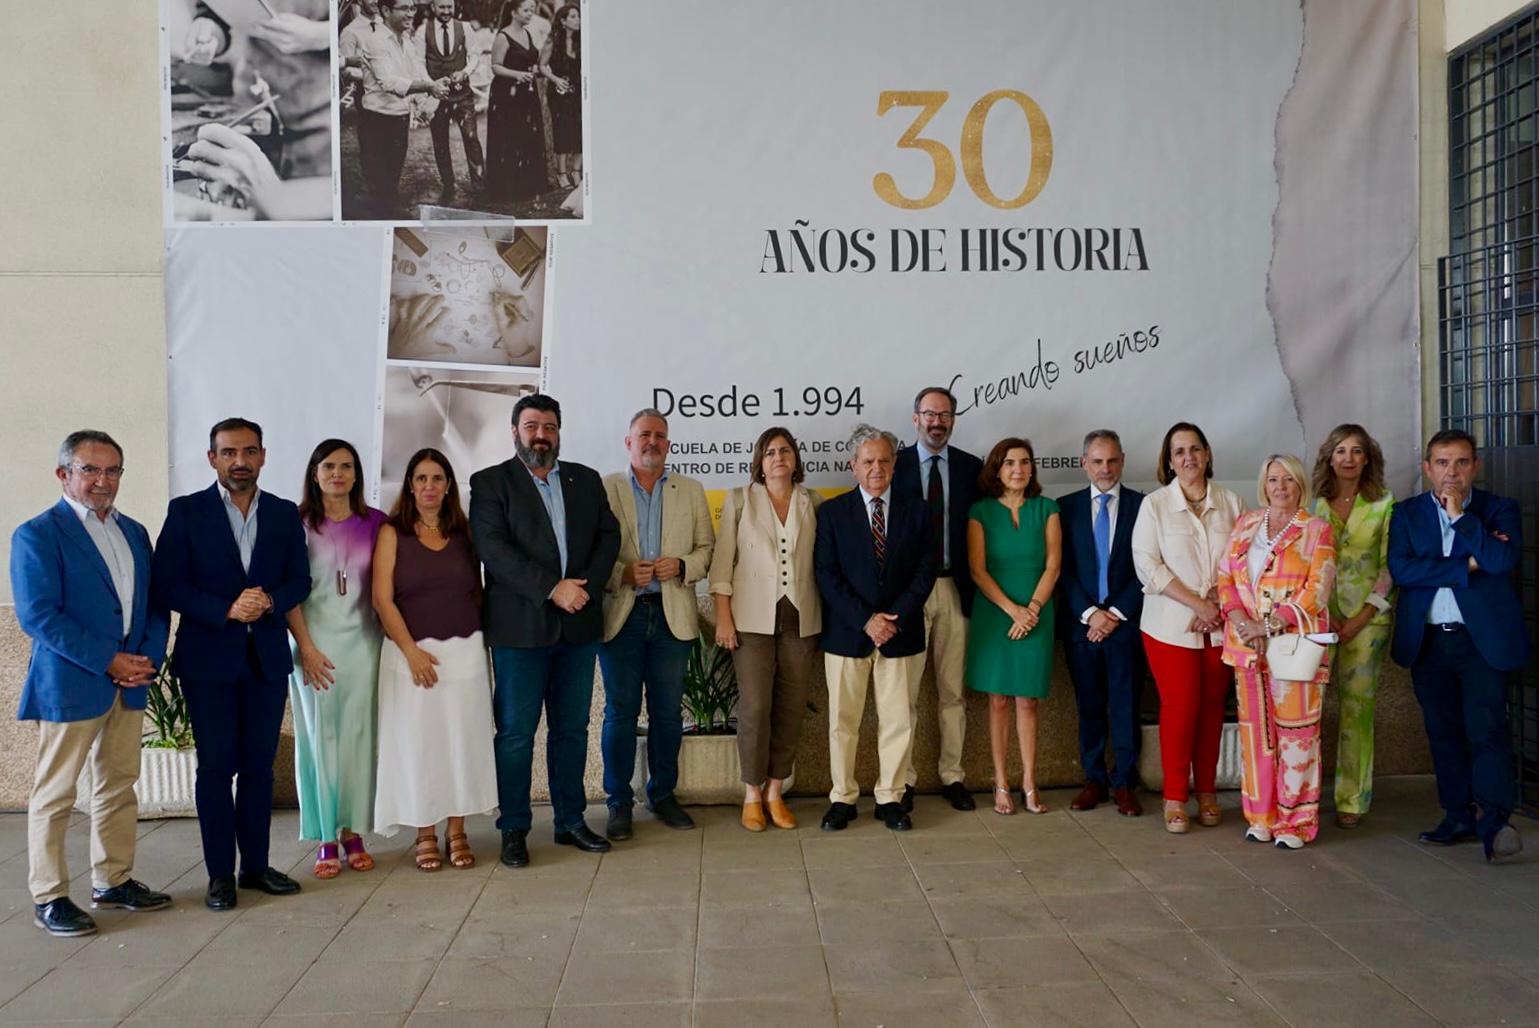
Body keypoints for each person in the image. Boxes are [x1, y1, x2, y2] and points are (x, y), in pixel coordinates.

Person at [11, 432, 172, 937]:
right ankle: (50, 896)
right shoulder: (37, 534)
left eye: (113, 471)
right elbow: (39, 616)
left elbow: (152, 603)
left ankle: (113, 880)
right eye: (90, 470)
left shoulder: (136, 532)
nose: (103, 481)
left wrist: (145, 656)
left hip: (130, 681)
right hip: (73, 682)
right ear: (64, 474)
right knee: (55, 794)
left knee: (119, 785)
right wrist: (109, 661)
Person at [152, 418, 311, 910]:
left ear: (263, 456)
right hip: (209, 662)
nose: (239, 460)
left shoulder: (284, 515)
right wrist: (225, 608)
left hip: (264, 660)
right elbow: (167, 584)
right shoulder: (186, 513)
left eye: (248, 451)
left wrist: (269, 602)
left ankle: (257, 868)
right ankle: (220, 874)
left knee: (260, 769)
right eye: (228, 452)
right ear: (212, 459)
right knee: (216, 770)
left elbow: (300, 582)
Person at [470, 395, 621, 868]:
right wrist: (552, 589)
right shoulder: (491, 483)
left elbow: (608, 537)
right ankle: (513, 828)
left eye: (549, 426)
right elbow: (493, 550)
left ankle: (570, 821)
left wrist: (584, 589)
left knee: (572, 730)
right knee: (516, 734)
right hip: (520, 632)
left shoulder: (585, 479)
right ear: (514, 431)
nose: (541, 434)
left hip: (578, 626)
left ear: (559, 432)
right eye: (531, 425)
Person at [1389, 429, 1528, 863]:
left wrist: (1463, 520)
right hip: (1430, 642)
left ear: (1475, 467)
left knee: (1486, 731)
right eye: (1443, 463)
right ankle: (1456, 816)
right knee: (1443, 733)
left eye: (1462, 462)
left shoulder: (1499, 510)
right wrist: (1468, 563)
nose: (1452, 472)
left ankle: (1494, 823)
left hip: (1480, 642)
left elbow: (1502, 561)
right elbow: (1403, 570)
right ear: (1427, 467)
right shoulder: (1407, 514)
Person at [372, 449, 497, 870]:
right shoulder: (393, 533)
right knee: (420, 746)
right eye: (421, 478)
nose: (429, 486)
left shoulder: (465, 532)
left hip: (464, 656)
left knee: (461, 744)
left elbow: (477, 592)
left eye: (437, 478)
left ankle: (457, 831)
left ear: (448, 486)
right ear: (410, 484)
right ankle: (425, 833)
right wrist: (411, 651)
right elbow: (381, 599)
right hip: (411, 658)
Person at [598, 410, 715, 840]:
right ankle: (618, 803)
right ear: (628, 441)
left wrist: (684, 565)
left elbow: (707, 549)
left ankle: (662, 795)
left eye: (660, 436)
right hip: (622, 616)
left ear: (669, 444)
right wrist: (620, 575)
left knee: (667, 714)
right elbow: (590, 552)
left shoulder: (692, 490)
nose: (653, 441)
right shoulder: (605, 488)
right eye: (644, 435)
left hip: (673, 619)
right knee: (620, 714)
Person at [814, 424, 935, 832]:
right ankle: (843, 798)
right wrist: (866, 620)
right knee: (842, 722)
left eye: (884, 460)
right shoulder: (831, 513)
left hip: (902, 634)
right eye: (868, 461)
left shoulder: (917, 510)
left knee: (899, 720)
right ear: (854, 466)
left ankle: (890, 796)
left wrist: (892, 618)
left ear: (894, 464)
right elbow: (826, 575)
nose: (877, 468)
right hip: (848, 634)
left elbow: (925, 571)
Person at [1216, 455, 1336, 849]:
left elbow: (1318, 590)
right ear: (1263, 484)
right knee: (1257, 736)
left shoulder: (1316, 529)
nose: (1280, 486)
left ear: (1301, 485)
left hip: (1293, 646)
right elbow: (1225, 578)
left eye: (1288, 479)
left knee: (1297, 735)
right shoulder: (1247, 523)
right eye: (1272, 479)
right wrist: (1239, 620)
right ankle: (1261, 817)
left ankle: (1295, 823)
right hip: (1247, 648)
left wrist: (1269, 624)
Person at [1131, 422, 1245, 834]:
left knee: (1214, 709)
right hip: (1169, 627)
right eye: (1179, 452)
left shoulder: (1232, 502)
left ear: (1207, 453)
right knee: (1180, 710)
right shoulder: (1155, 506)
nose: (1188, 458)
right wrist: (1197, 602)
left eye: (1195, 449)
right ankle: (1176, 796)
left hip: (1220, 624)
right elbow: (1148, 566)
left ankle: (1209, 792)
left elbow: (1243, 559)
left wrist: (1215, 599)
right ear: (1169, 461)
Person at [710, 428, 823, 832]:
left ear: (795, 459)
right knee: (756, 707)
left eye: (786, 451)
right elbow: (722, 564)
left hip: (801, 618)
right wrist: (723, 617)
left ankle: (776, 790)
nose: (778, 457)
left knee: (791, 708)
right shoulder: (740, 500)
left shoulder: (813, 502)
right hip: (751, 619)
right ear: (759, 461)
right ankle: (752, 793)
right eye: (770, 452)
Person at [285, 440, 388, 879]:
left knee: (359, 740)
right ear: (314, 472)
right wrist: (305, 647)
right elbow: (288, 592)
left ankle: (354, 832)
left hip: (364, 646)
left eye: (346, 466)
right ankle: (327, 836)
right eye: (329, 466)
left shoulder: (377, 524)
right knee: (321, 740)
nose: (338, 474)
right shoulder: (296, 524)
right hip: (314, 647)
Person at [892, 386, 982, 812]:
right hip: (909, 593)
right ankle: (903, 779)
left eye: (944, 415)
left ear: (953, 420)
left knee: (952, 692)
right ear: (915, 419)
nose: (936, 422)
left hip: (954, 589)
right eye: (929, 414)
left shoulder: (970, 468)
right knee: (904, 695)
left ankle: (953, 775)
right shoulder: (894, 465)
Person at [966, 438, 1061, 815]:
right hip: (996, 614)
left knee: (1028, 701)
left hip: (1038, 610)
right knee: (999, 700)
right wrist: (1013, 611)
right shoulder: (980, 512)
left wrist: (1032, 609)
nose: (1018, 469)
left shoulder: (1048, 509)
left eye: (1024, 462)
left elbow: (1053, 565)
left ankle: (1030, 783)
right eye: (1009, 463)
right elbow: (977, 569)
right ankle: (1002, 782)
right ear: (997, 469)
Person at [1309, 424, 1395, 828]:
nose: (1347, 458)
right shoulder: (1314, 505)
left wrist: (1360, 617)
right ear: (1329, 457)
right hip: (1320, 619)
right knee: (1306, 711)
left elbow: (1388, 568)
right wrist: (1329, 612)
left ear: (1367, 458)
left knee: (1357, 710)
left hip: (1368, 621)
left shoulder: (1384, 504)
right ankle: (1304, 795)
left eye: (1356, 451)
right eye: (1340, 450)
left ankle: (1352, 799)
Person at [1057, 430, 1146, 817]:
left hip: (1126, 627)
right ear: (1083, 464)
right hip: (1082, 628)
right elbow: (1061, 570)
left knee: (1126, 706)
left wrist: (1115, 613)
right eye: (1097, 461)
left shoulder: (1145, 507)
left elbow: (1148, 568)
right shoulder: (1065, 508)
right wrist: (1091, 614)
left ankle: (1124, 782)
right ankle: (1094, 779)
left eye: (1111, 461)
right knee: (1090, 706)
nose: (1105, 468)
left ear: (1122, 461)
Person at [182, 1, 333, 179]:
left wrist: (323, 35)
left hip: (320, 117)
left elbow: (363, 23)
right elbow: (218, 14)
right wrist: (209, 34)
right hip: (251, 110)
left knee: (307, 203)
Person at [353, 0, 450, 218]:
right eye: (404, 8)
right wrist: (429, 86)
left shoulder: (406, 40)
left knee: (391, 178)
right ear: (386, 11)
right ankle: (378, 223)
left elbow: (417, 71)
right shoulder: (376, 41)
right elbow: (389, 82)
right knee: (377, 183)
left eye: (412, 8)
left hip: (399, 118)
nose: (410, 14)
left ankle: (385, 214)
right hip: (376, 121)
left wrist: (435, 85)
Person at [486, 0, 552, 203]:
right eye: (526, 10)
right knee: (509, 137)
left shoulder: (527, 33)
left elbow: (531, 60)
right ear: (514, 13)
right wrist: (517, 75)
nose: (531, 14)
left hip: (526, 94)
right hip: (506, 95)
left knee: (527, 137)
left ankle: (528, 184)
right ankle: (507, 188)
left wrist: (533, 70)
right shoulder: (503, 36)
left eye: (532, 10)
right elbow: (495, 66)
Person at [423, 0, 486, 203]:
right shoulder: (422, 30)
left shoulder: (464, 27)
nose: (446, 11)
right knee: (440, 141)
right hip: (437, 95)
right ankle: (448, 185)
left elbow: (475, 55)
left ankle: (480, 185)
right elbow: (417, 60)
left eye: (449, 6)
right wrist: (430, 85)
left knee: (471, 137)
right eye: (441, 7)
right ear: (433, 7)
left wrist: (466, 71)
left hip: (462, 94)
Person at [544, 3, 582, 189]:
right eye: (573, 17)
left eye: (579, 16)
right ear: (563, 21)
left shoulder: (582, 41)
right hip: (559, 91)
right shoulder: (553, 41)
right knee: (562, 129)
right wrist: (555, 79)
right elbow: (542, 66)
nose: (578, 20)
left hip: (579, 91)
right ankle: (561, 174)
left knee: (580, 128)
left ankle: (576, 171)